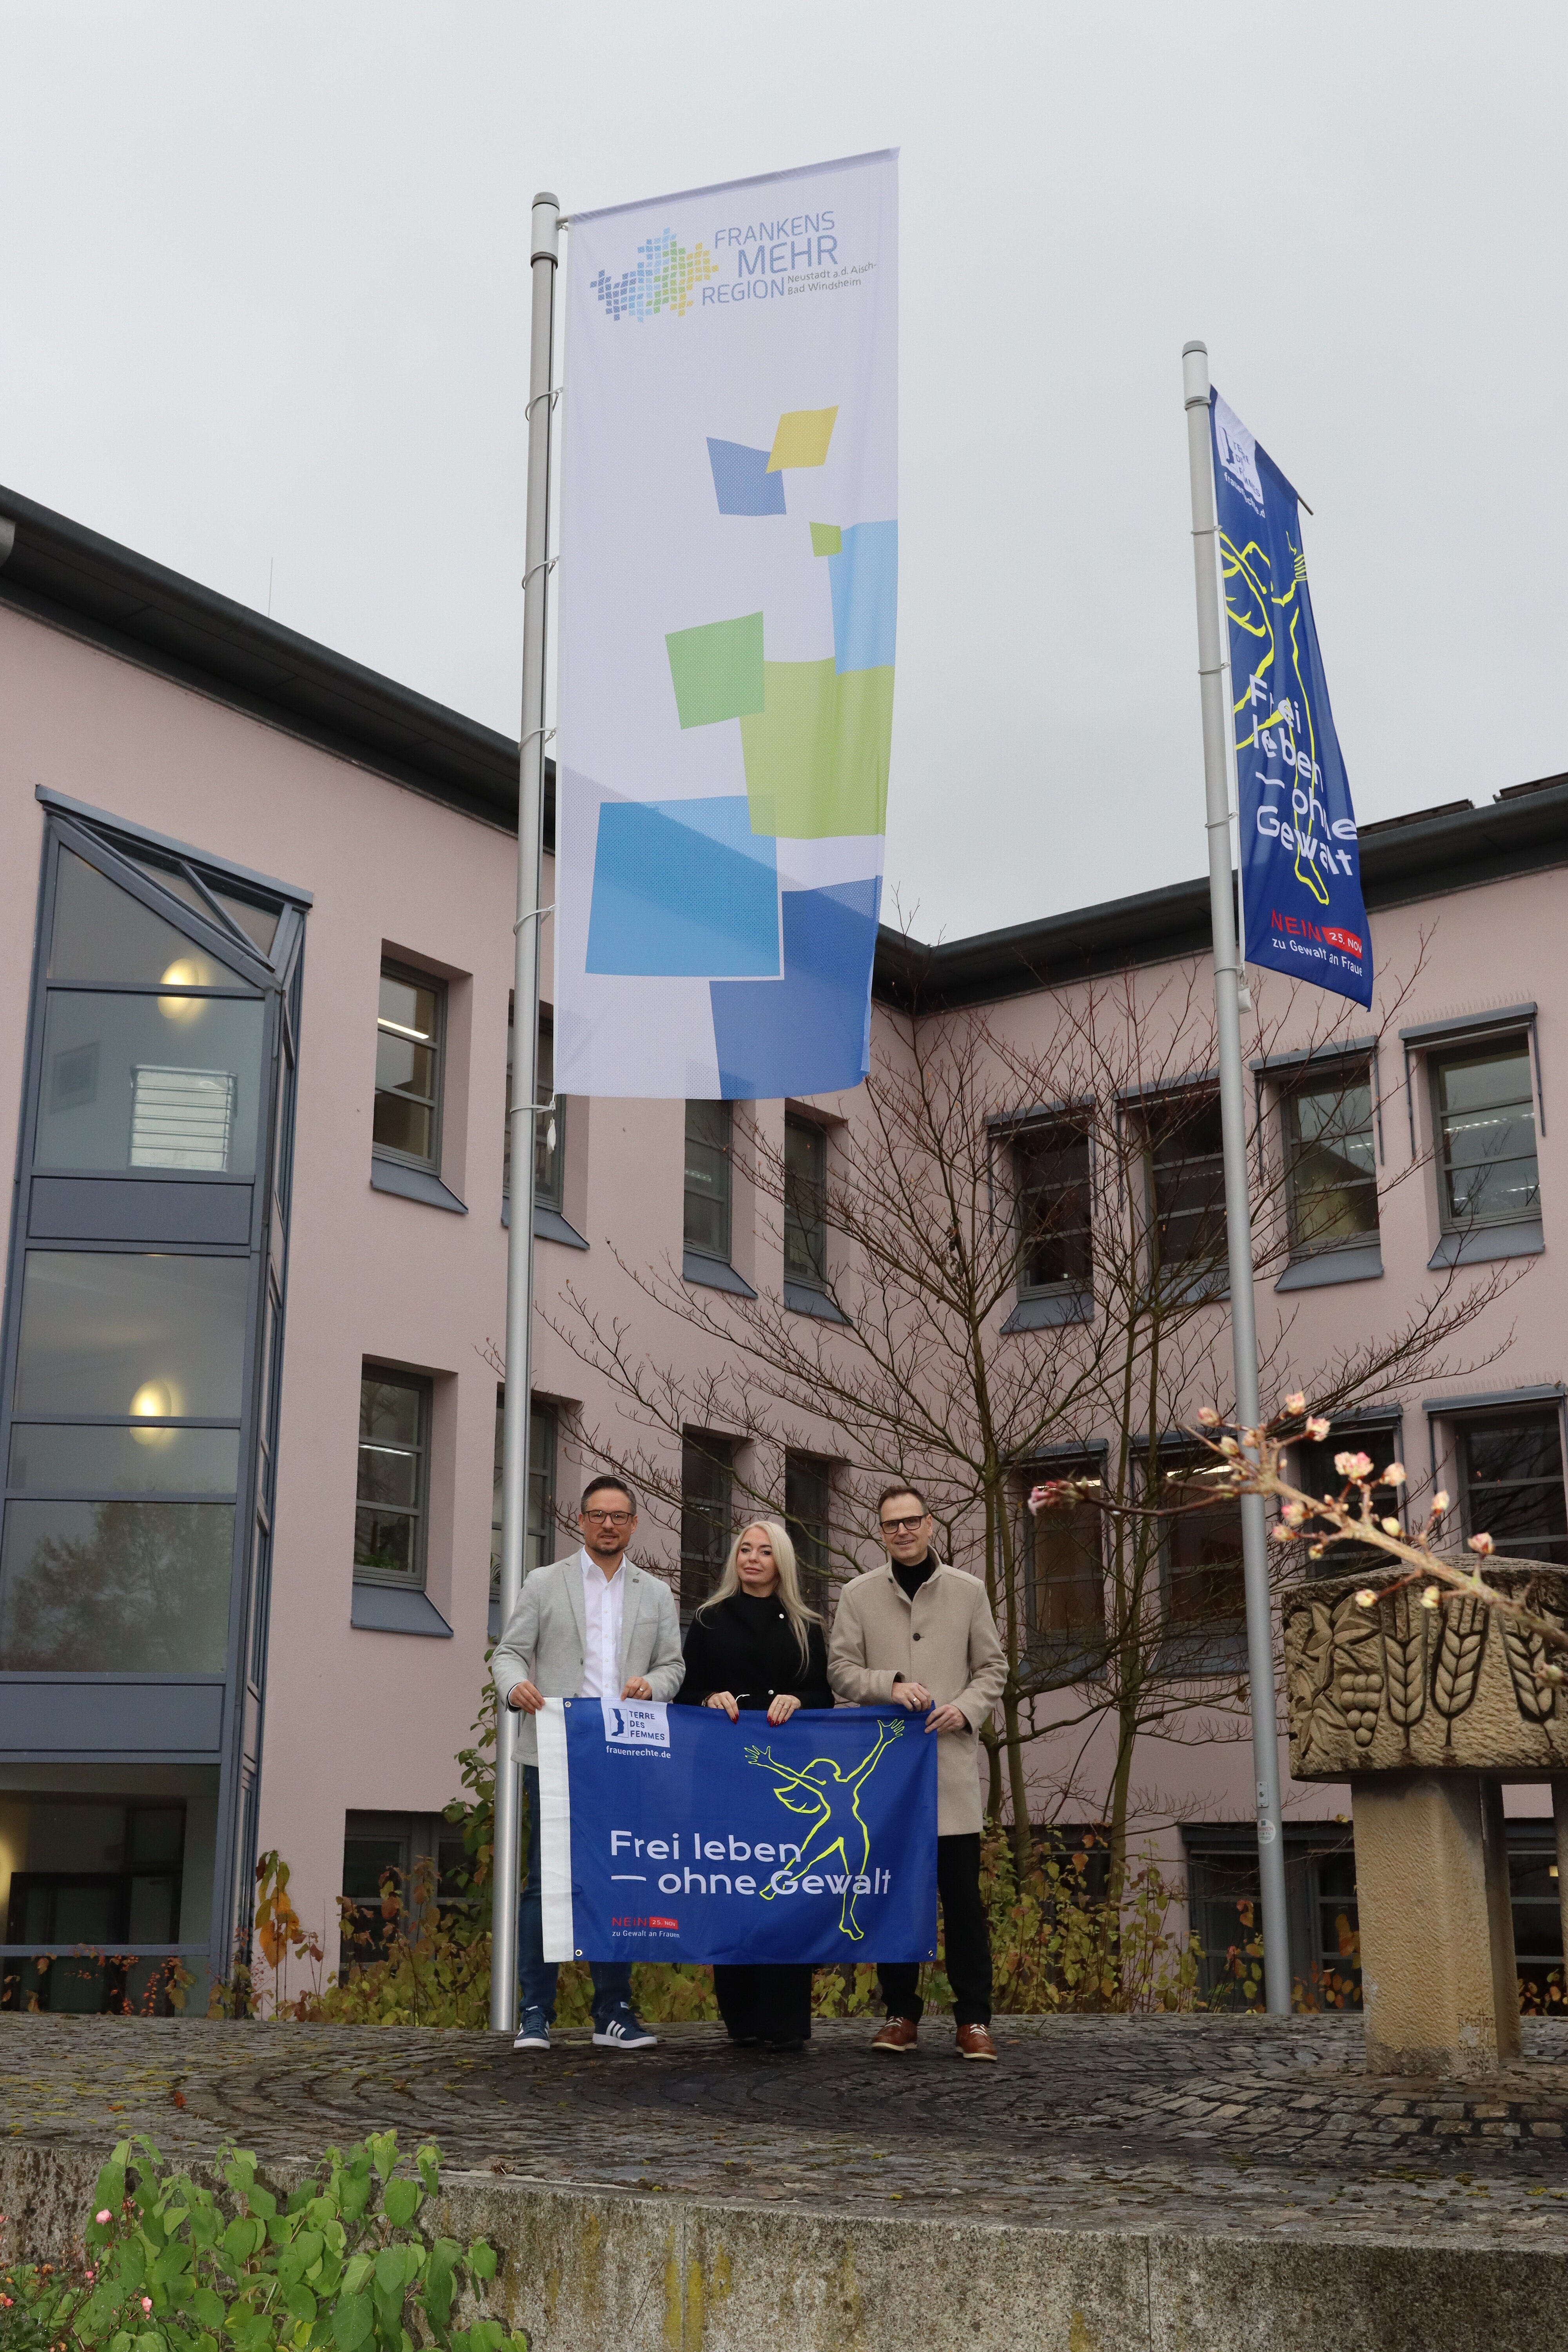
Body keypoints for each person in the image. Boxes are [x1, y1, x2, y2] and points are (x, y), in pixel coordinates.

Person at [492, 1472, 682, 2054]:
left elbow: (674, 1667)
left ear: (634, 1524)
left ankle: (613, 2013)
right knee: (545, 1884)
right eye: (598, 1514)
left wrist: (652, 1686)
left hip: (624, 1757)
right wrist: (515, 1687)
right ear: (581, 1521)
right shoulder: (544, 1582)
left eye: (619, 1516)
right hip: (555, 1751)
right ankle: (535, 2013)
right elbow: (508, 1653)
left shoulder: (656, 1593)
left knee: (620, 1882)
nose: (608, 1524)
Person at [827, 1484, 1007, 2061]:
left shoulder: (968, 1591)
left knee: (963, 1903)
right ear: (880, 1532)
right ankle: (900, 2013)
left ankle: (973, 2020)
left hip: (948, 1769)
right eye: (891, 1524)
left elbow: (993, 1667)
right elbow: (840, 1670)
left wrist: (966, 1709)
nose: (902, 1532)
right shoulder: (857, 1594)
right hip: (887, 1778)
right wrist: (891, 1685)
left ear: (930, 1524)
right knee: (895, 1898)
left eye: (911, 1521)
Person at [676, 1519, 832, 2051]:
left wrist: (799, 1700)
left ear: (780, 1562)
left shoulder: (806, 1626)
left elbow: (824, 1696)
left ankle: (785, 2018)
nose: (753, 1558)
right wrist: (707, 1699)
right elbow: (684, 1690)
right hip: (722, 1773)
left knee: (784, 1886)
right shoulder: (709, 1619)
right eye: (745, 1549)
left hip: (788, 1777)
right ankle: (741, 2017)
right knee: (733, 1885)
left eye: (765, 1552)